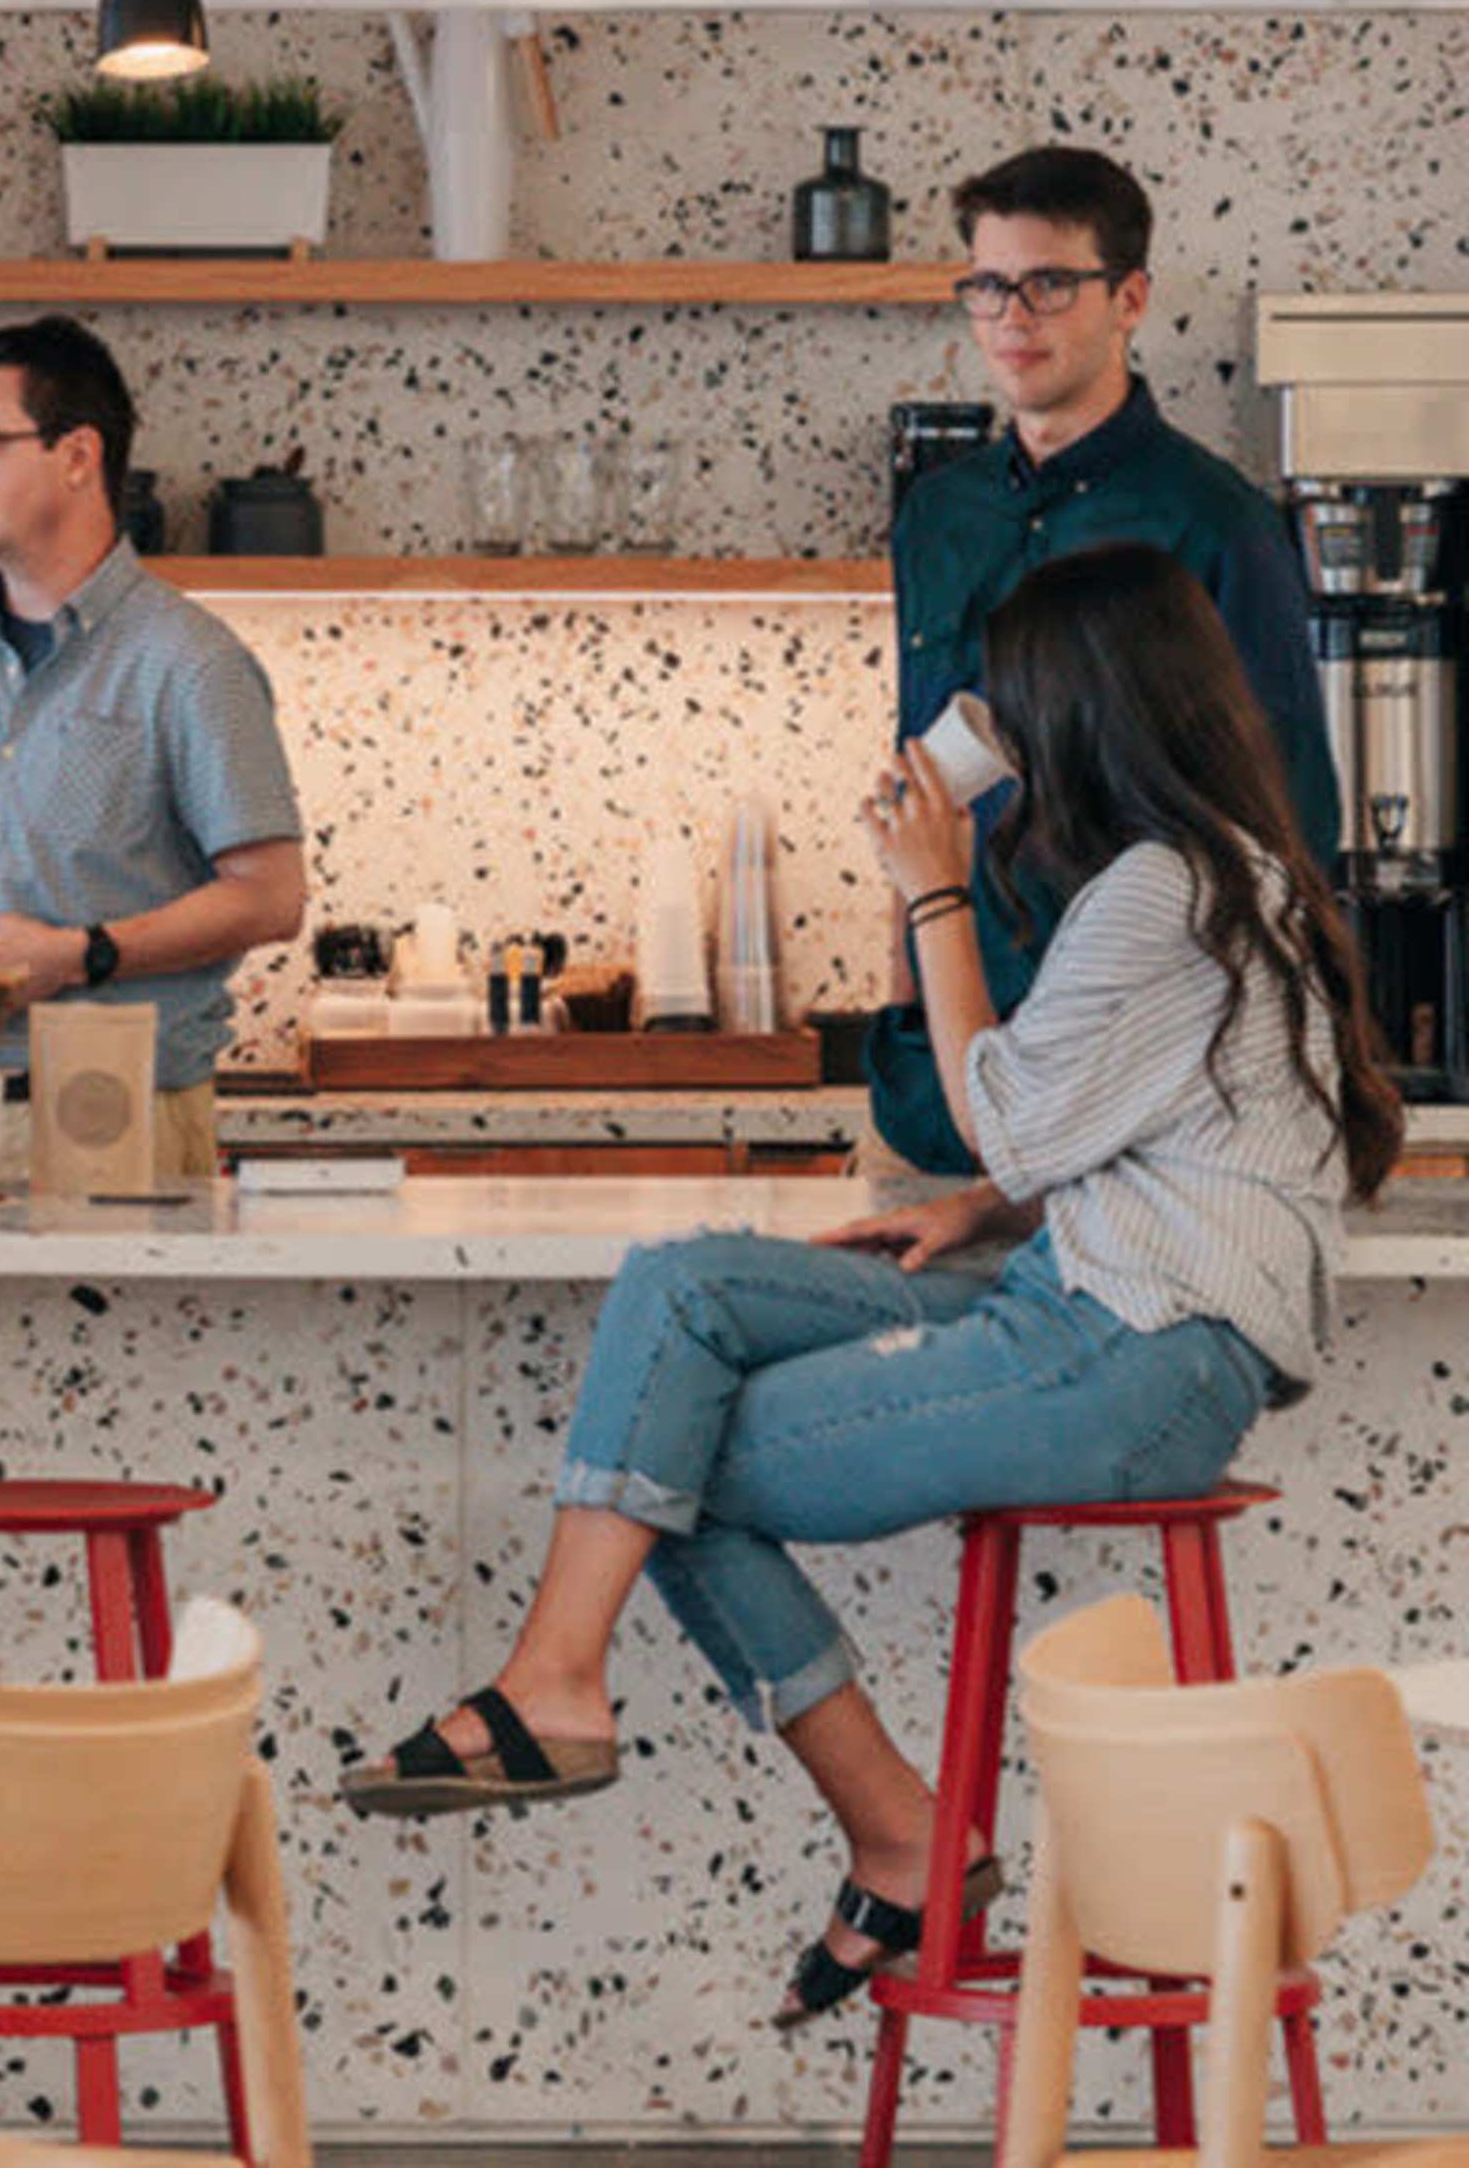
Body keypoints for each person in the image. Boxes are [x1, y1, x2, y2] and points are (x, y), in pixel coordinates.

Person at [345, 544, 1396, 2032]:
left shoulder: (1161, 889)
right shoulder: (1214, 873)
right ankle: (562, 1678)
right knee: (685, 1288)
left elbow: (1007, 1112)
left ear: (1079, 709)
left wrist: (934, 894)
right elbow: (1132, 1129)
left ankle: (873, 1821)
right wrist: (986, 1207)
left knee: (672, 1467)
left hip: (1137, 1356)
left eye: (1013, 704)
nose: (1001, 736)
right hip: (1092, 1311)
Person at [869, 146, 1334, 1174]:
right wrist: (901, 990)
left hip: (1128, 1088)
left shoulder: (1218, 522)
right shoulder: (938, 516)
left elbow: (1290, 821)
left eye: (1048, 283)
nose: (1011, 317)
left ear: (1129, 299)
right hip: (939, 1066)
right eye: (988, 285)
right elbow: (917, 777)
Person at [0, 315, 306, 1183]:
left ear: (79, 455)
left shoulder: (190, 662)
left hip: (117, 1114)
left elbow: (271, 896)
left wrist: (79, 954)